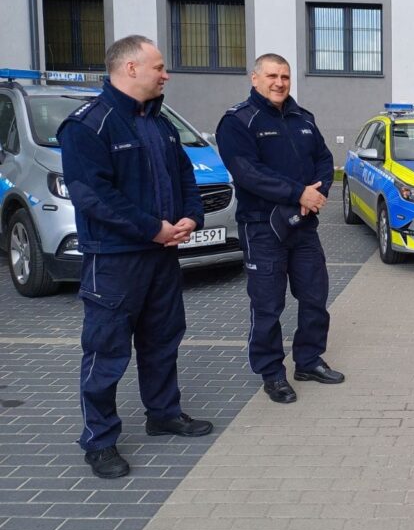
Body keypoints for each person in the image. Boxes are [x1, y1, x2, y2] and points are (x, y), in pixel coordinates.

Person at [58, 35, 213, 479]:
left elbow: (184, 175)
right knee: (105, 350)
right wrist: (152, 228)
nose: (166, 75)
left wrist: (192, 216)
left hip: (161, 257)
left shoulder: (159, 122)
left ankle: (163, 414)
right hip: (115, 260)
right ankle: (99, 440)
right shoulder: (88, 126)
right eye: (159, 67)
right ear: (130, 68)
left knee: (163, 339)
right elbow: (94, 197)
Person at [216, 53, 342, 404]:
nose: (280, 82)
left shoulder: (303, 118)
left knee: (315, 296)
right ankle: (272, 373)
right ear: (255, 78)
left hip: (303, 225)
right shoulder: (238, 121)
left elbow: (324, 160)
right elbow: (248, 173)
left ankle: (309, 360)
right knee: (268, 305)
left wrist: (317, 193)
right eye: (272, 75)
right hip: (262, 228)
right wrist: (298, 193)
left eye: (285, 76)